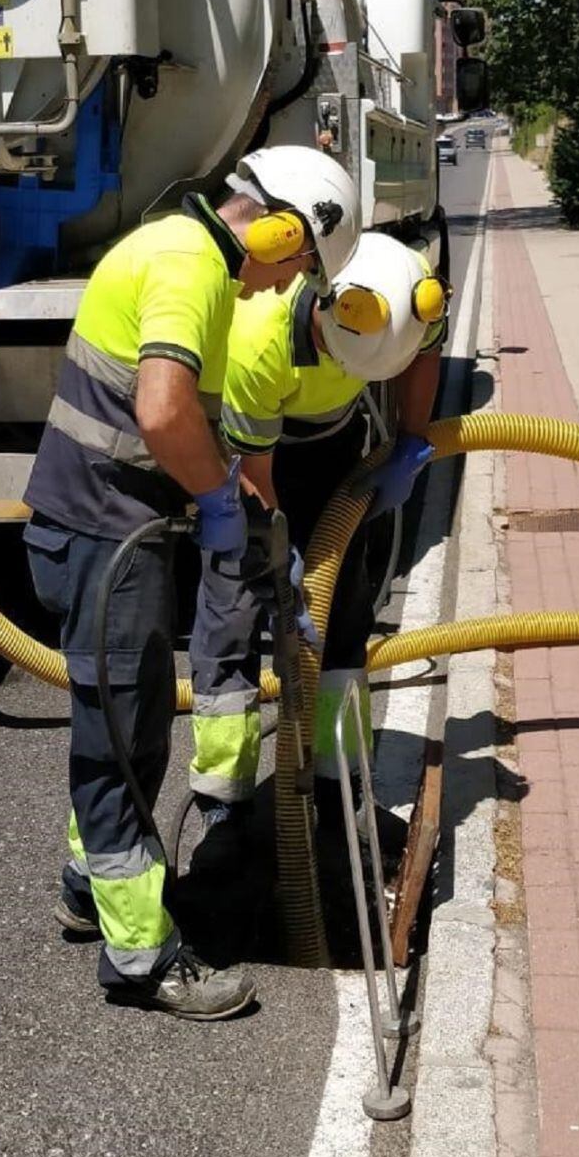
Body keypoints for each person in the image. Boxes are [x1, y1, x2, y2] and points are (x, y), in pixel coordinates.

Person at [23, 145, 361, 1020]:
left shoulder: (180, 248)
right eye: (299, 268)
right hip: (102, 535)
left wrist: (250, 530)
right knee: (125, 744)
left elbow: (190, 424)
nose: (282, 288)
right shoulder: (190, 268)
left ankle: (80, 886)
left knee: (116, 725)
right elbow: (165, 411)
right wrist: (217, 498)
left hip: (106, 527)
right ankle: (140, 959)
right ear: (282, 228)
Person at [188, 230, 448, 832]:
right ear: (324, 309)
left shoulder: (408, 285)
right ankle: (223, 804)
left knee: (347, 612)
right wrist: (282, 564)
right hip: (246, 453)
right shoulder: (262, 338)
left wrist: (411, 442)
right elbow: (256, 479)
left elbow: (426, 353)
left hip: (334, 444)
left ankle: (338, 791)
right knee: (235, 607)